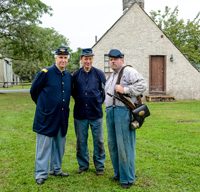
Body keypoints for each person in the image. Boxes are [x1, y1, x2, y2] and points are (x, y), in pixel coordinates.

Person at [105, 49, 147, 189]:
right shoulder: (112, 76)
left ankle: (127, 178)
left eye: (115, 59)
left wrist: (125, 90)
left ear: (122, 59)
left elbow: (142, 85)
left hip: (123, 112)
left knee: (125, 146)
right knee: (113, 145)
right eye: (111, 59)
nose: (113, 61)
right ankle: (118, 174)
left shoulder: (128, 71)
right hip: (111, 112)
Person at [30, 46, 71, 185]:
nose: (63, 60)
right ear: (55, 58)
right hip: (46, 116)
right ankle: (41, 173)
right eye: (60, 57)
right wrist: (44, 106)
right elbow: (34, 91)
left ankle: (56, 169)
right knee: (44, 146)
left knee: (60, 144)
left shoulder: (68, 76)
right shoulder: (45, 73)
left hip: (62, 116)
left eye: (65, 57)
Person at [71, 48, 106, 175]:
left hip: (96, 113)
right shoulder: (75, 75)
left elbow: (104, 91)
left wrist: (97, 101)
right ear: (81, 59)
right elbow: (73, 92)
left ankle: (100, 165)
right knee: (81, 141)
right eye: (85, 59)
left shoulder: (99, 74)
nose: (88, 61)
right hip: (80, 114)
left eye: (90, 58)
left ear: (92, 59)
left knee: (99, 141)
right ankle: (83, 165)